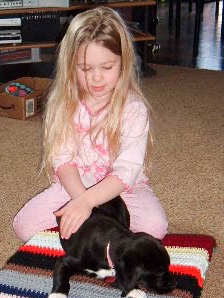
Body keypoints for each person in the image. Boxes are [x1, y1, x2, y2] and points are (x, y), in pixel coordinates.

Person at [13, 6, 168, 243]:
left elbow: (128, 169)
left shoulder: (134, 109)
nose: (96, 78)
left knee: (154, 227)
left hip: (123, 189)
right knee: (25, 226)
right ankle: (95, 236)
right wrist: (82, 199)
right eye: (85, 69)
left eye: (107, 67)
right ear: (70, 66)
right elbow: (63, 160)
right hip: (75, 185)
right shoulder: (64, 104)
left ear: (123, 63)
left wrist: (88, 204)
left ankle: (92, 234)